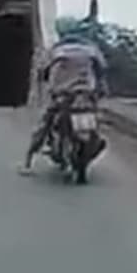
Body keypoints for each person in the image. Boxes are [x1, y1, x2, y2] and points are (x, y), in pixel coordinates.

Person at [20, 16, 110, 175]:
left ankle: (28, 161)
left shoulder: (56, 50)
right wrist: (101, 88)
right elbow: (102, 69)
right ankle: (92, 145)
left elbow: (44, 72)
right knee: (96, 121)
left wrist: (46, 85)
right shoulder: (91, 49)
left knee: (45, 124)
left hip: (63, 95)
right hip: (87, 95)